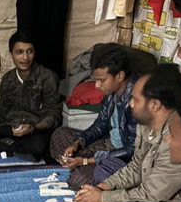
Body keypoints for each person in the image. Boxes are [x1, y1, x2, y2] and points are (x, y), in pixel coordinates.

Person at [74, 64, 181, 202]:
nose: (130, 103)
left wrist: (104, 198)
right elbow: (136, 166)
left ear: (155, 105)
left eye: (135, 99)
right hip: (143, 188)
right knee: (104, 169)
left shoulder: (177, 139)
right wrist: (102, 188)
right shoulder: (146, 124)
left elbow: (152, 194)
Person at [50, 44, 139, 190]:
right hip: (108, 145)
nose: (97, 85)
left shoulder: (137, 99)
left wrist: (86, 161)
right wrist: (78, 143)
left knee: (81, 179)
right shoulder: (111, 92)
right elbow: (101, 124)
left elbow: (131, 151)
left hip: (123, 158)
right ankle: (84, 167)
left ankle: (88, 172)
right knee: (60, 135)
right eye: (96, 79)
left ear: (120, 75)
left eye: (102, 80)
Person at [0, 31, 61, 162]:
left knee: (39, 145)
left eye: (29, 51)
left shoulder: (47, 77)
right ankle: (14, 148)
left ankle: (8, 146)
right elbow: (1, 113)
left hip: (35, 130)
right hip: (11, 127)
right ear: (11, 54)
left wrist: (33, 127)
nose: (25, 58)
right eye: (19, 52)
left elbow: (54, 114)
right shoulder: (8, 79)